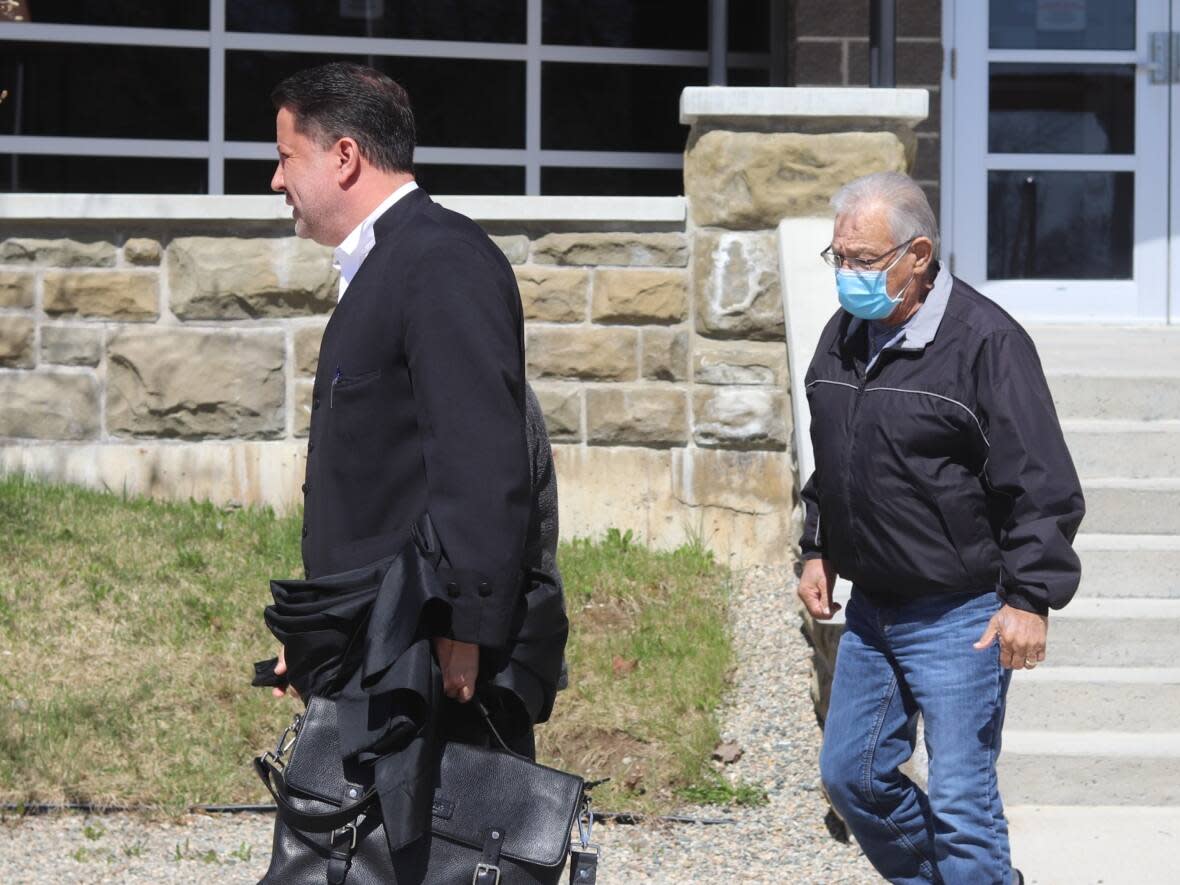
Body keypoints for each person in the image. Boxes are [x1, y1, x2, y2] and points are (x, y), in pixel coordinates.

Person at [260, 61, 566, 870]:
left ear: (345, 156)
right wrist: (320, 635)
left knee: (441, 859)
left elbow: (481, 458)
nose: (276, 178)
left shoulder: (440, 261)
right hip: (377, 648)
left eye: (287, 156)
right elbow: (385, 479)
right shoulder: (382, 267)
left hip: (433, 663)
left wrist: (463, 625)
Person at [797, 171, 1084, 884]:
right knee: (852, 778)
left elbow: (1042, 483)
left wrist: (1029, 597)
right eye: (839, 257)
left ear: (918, 254)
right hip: (874, 609)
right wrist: (817, 547)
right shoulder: (843, 335)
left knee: (961, 800)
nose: (847, 275)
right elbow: (836, 452)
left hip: (964, 614)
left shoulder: (988, 343)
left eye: (863, 260)